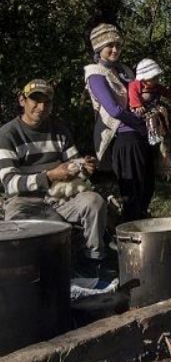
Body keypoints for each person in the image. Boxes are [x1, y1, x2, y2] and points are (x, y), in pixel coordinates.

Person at [0, 79, 107, 277]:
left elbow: (75, 167)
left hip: (61, 198)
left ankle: (94, 261)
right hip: (25, 201)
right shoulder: (7, 135)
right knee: (16, 219)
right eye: (36, 100)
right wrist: (49, 176)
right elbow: (10, 183)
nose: (41, 107)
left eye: (46, 102)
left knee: (94, 201)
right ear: (22, 100)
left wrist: (85, 168)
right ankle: (28, 273)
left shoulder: (60, 131)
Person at [84, 23, 153, 222]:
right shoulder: (95, 74)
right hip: (122, 135)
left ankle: (144, 224)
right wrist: (140, 122)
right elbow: (113, 109)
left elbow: (138, 95)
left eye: (118, 45)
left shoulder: (123, 70)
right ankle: (131, 231)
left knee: (146, 185)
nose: (115, 50)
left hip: (139, 132)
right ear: (99, 47)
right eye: (110, 46)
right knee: (132, 189)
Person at [128, 58, 171, 145]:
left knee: (162, 112)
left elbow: (164, 91)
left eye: (157, 77)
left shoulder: (156, 86)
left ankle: (163, 132)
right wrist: (137, 105)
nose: (157, 80)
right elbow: (132, 94)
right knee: (150, 119)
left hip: (153, 109)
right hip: (141, 110)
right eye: (153, 78)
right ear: (144, 78)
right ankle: (152, 135)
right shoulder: (135, 85)